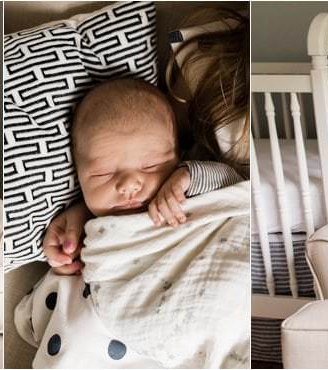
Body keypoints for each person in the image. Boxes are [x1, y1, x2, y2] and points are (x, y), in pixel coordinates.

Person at [44, 78, 243, 274]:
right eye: (103, 173)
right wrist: (66, 263)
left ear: (178, 157)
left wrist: (187, 177)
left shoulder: (187, 192)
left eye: (150, 166)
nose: (129, 185)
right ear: (78, 177)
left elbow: (234, 185)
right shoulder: (85, 233)